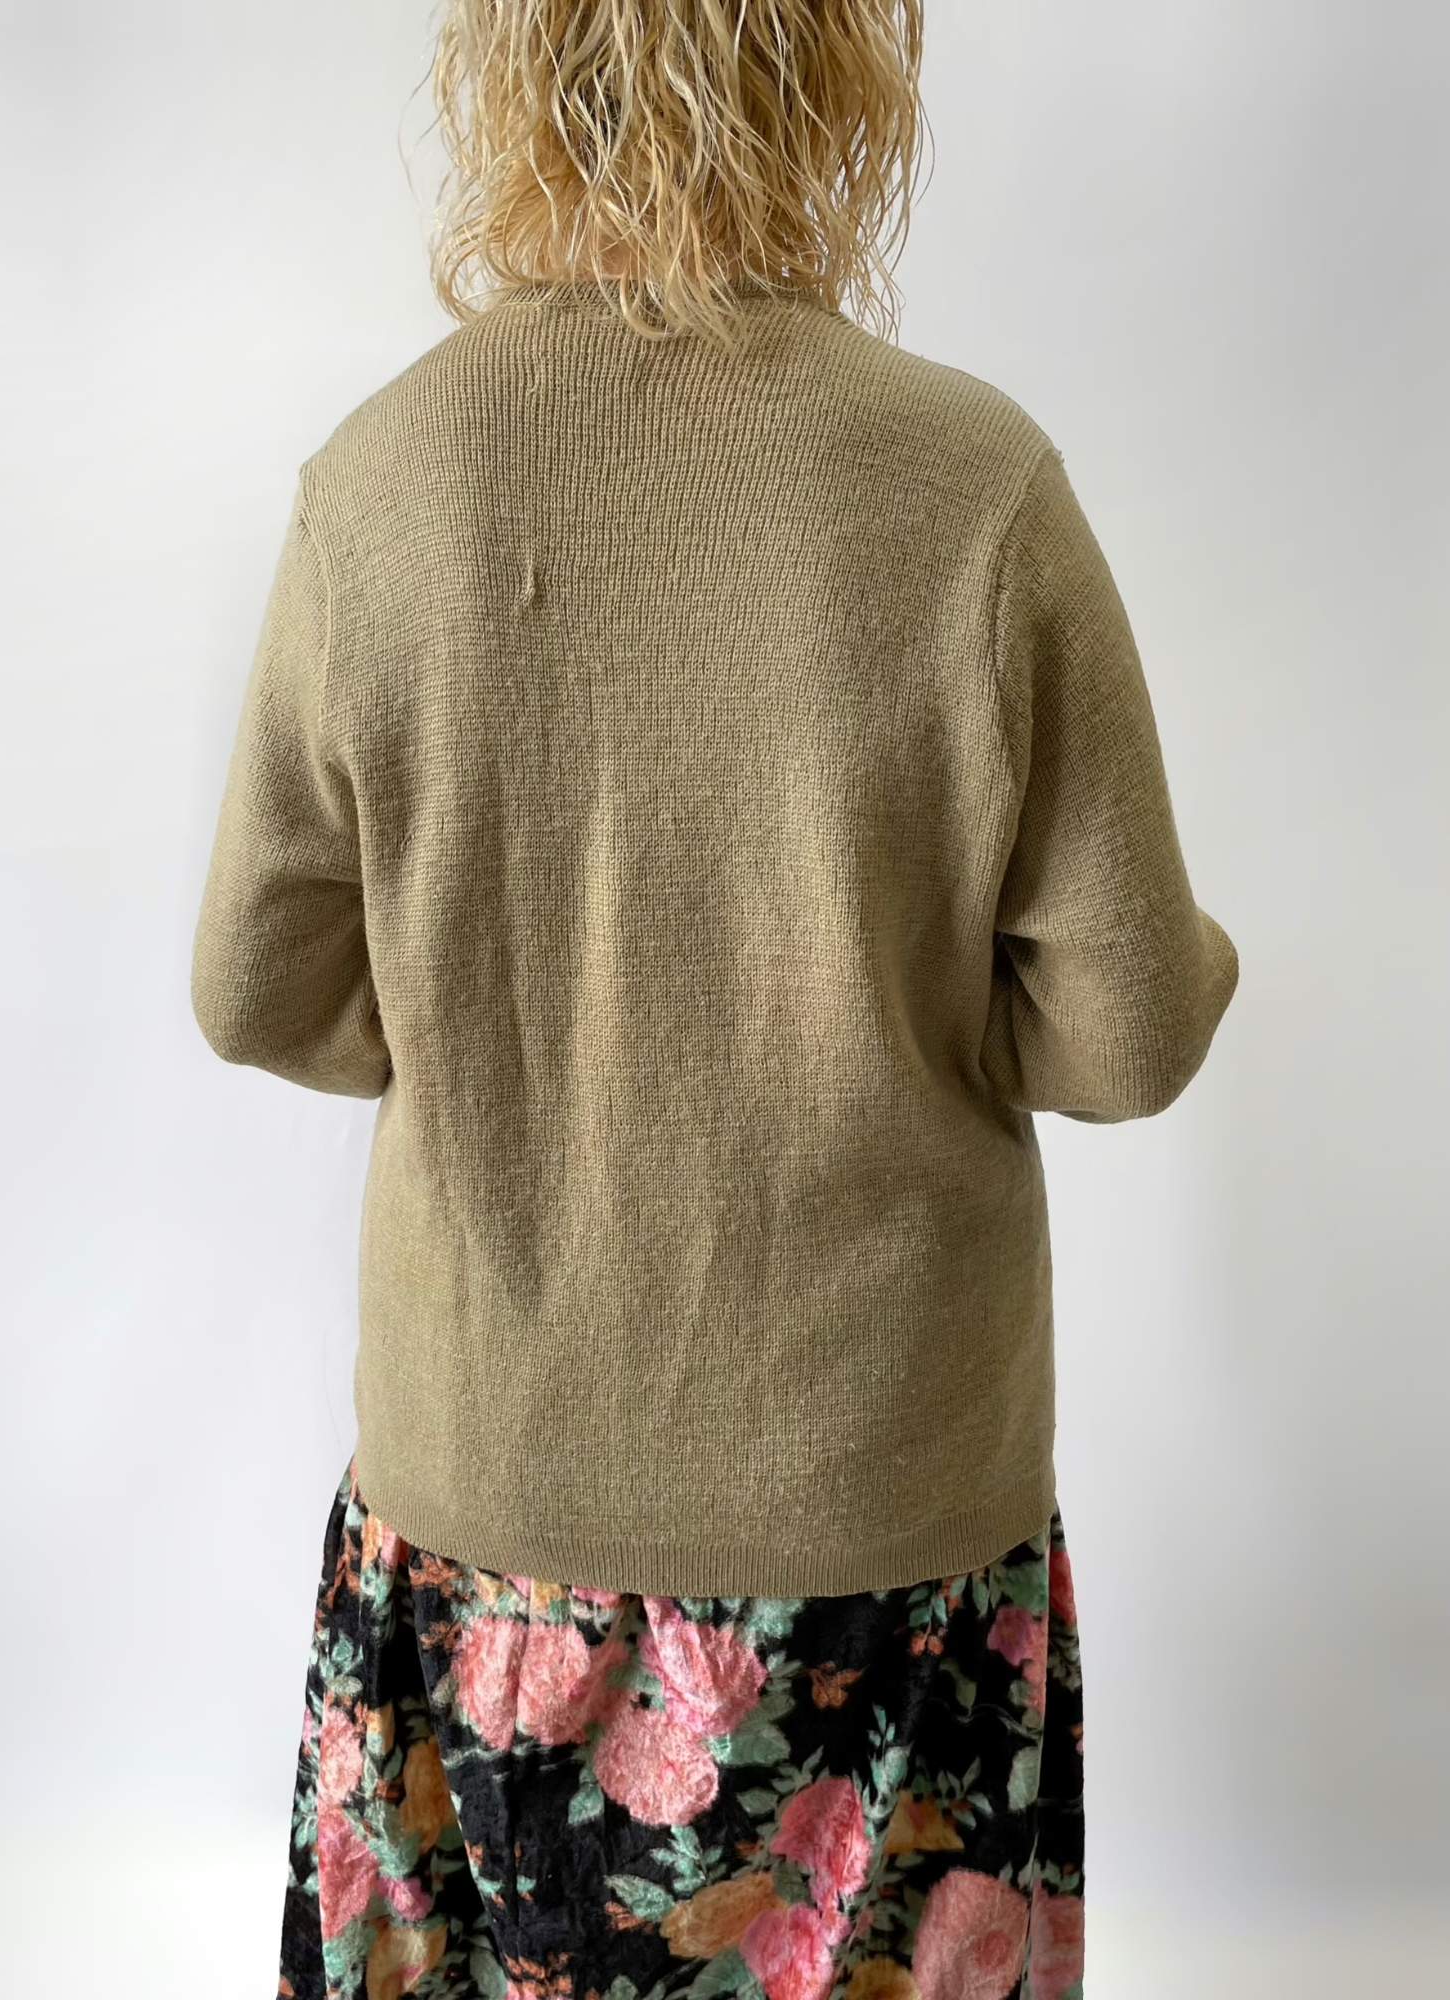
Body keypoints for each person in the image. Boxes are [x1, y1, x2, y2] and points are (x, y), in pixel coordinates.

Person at [191, 4, 1238, 1995]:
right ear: (844, 77)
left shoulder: (384, 483)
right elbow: (1132, 1035)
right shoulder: (976, 488)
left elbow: (260, 987)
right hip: (885, 1529)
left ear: (509, 74)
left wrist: (497, 1002)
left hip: (481, 1520)